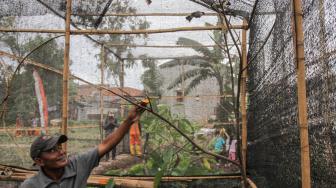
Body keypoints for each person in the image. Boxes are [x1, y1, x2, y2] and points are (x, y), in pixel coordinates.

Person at [20, 104, 145, 188]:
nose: (61, 152)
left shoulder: (77, 164)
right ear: (39, 161)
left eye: (59, 147)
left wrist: (129, 120)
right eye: (53, 150)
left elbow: (105, 144)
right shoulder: (30, 185)